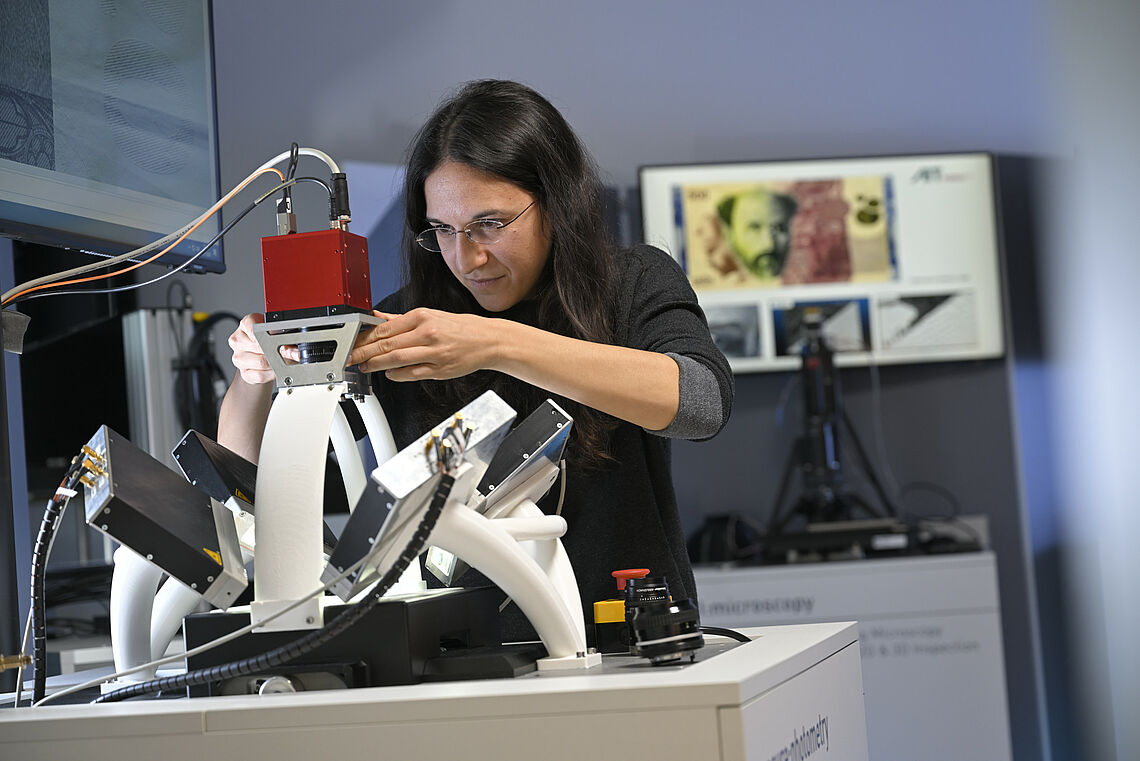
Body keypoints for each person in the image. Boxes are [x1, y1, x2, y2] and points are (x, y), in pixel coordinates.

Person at [219, 79, 734, 640]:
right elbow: (259, 487)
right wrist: (257, 378)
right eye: (442, 229)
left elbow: (700, 404)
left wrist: (495, 344)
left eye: (490, 223)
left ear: (556, 203)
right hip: (461, 663)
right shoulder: (410, 326)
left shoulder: (631, 282)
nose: (467, 257)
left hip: (627, 644)